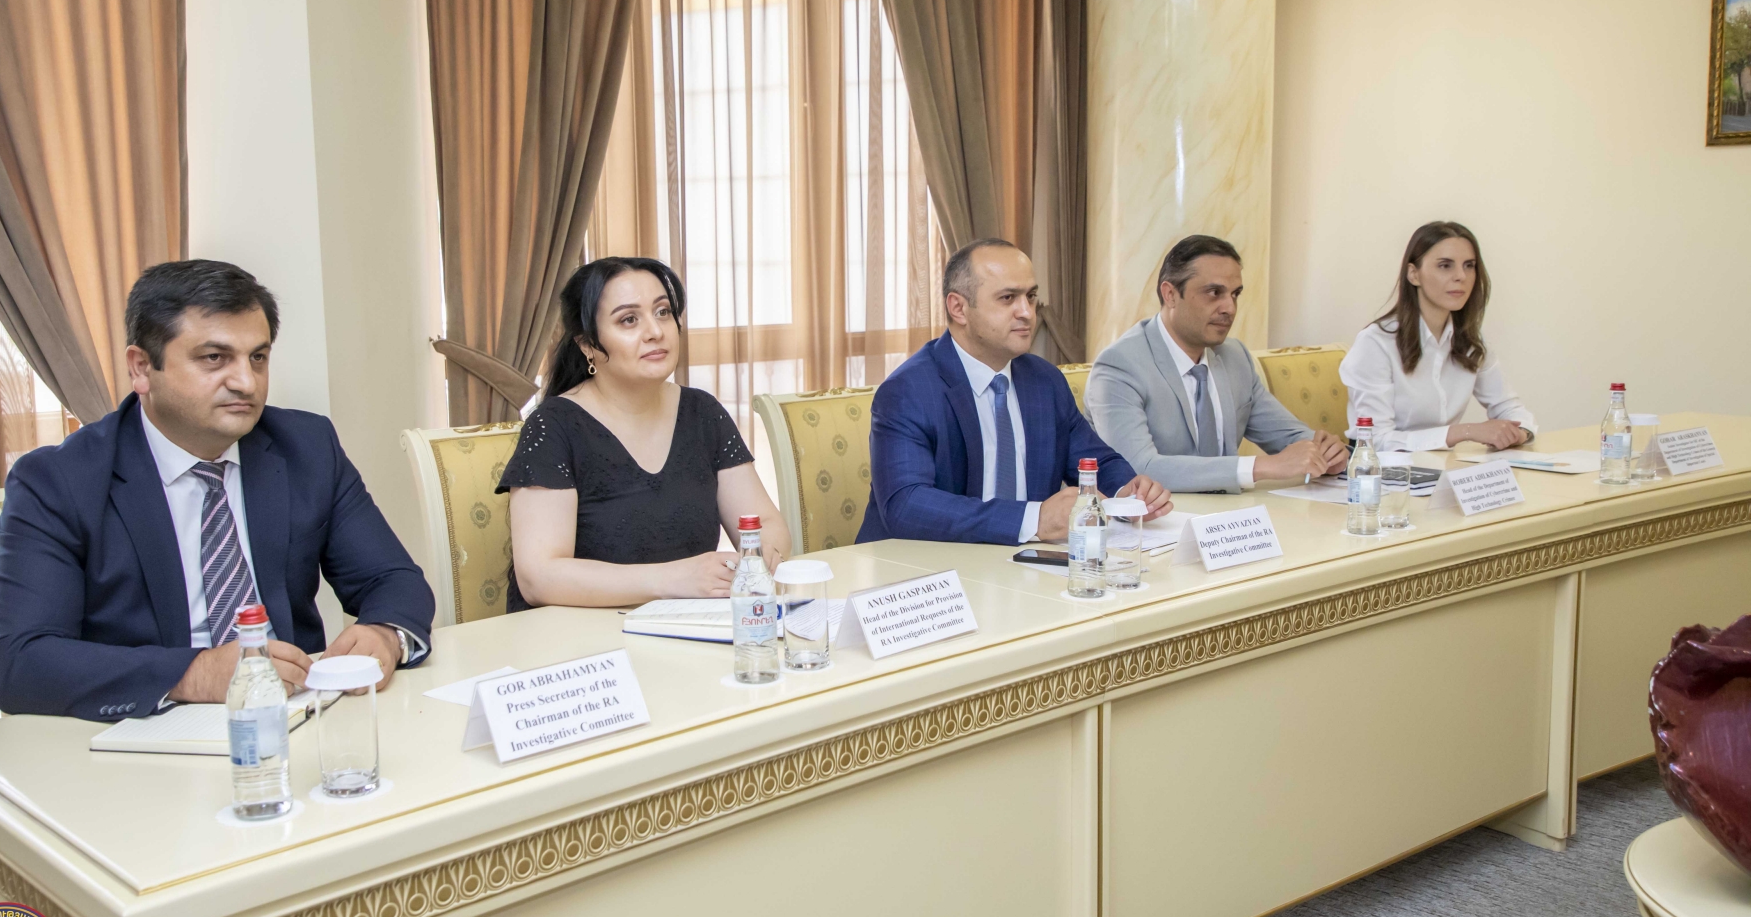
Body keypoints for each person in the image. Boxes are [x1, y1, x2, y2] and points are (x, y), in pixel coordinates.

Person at [0, 260, 433, 721]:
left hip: (297, 718)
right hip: (145, 733)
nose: (246, 382)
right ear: (141, 368)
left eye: (257, 358)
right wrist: (193, 674)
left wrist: (385, 633)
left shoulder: (307, 448)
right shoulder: (58, 481)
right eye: (214, 358)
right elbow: (18, 660)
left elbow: (393, 579)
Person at [502, 257, 790, 611]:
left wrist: (758, 560)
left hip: (682, 626)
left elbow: (766, 525)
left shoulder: (701, 412)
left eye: (663, 312)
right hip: (577, 636)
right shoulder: (553, 426)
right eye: (629, 319)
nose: (655, 331)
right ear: (587, 344)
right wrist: (675, 580)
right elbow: (539, 577)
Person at [856, 239, 1170, 545]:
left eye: (1031, 296)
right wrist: (1034, 520)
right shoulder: (908, 391)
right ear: (958, 308)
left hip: (1024, 565)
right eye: (1008, 298)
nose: (1027, 312)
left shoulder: (1044, 381)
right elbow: (906, 505)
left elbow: (1094, 461)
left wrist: (1126, 492)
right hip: (923, 568)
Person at [1084, 235, 1347, 493]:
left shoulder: (1235, 356)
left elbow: (1288, 436)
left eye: (1235, 294)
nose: (1229, 308)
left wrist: (1326, 454)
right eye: (1214, 293)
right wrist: (1261, 467)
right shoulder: (1120, 365)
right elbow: (1137, 469)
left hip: (1232, 516)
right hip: (1156, 517)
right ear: (1170, 294)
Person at [1340, 220, 1537, 453]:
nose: (1461, 276)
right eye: (1445, 265)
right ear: (1414, 274)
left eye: (1469, 265)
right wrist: (1465, 432)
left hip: (1443, 467)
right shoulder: (1376, 343)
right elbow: (1375, 441)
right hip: (1385, 471)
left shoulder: (1471, 341)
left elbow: (1510, 408)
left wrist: (1518, 433)